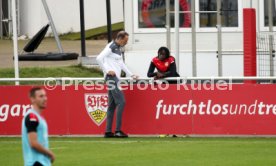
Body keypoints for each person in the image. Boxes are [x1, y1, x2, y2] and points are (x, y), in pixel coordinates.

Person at [96, 31, 138, 138]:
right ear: (120, 38)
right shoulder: (111, 46)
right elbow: (99, 58)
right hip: (111, 78)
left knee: (112, 105)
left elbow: (121, 64)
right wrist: (107, 70)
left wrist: (131, 75)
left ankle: (108, 131)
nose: (126, 42)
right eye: (126, 40)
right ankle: (118, 131)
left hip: (115, 78)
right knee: (121, 102)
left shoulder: (118, 48)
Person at [22, 87, 55, 166]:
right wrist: (50, 153)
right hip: (36, 163)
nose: (45, 99)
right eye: (41, 96)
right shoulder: (32, 117)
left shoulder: (38, 117)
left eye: (45, 96)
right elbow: (33, 143)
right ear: (32, 99)